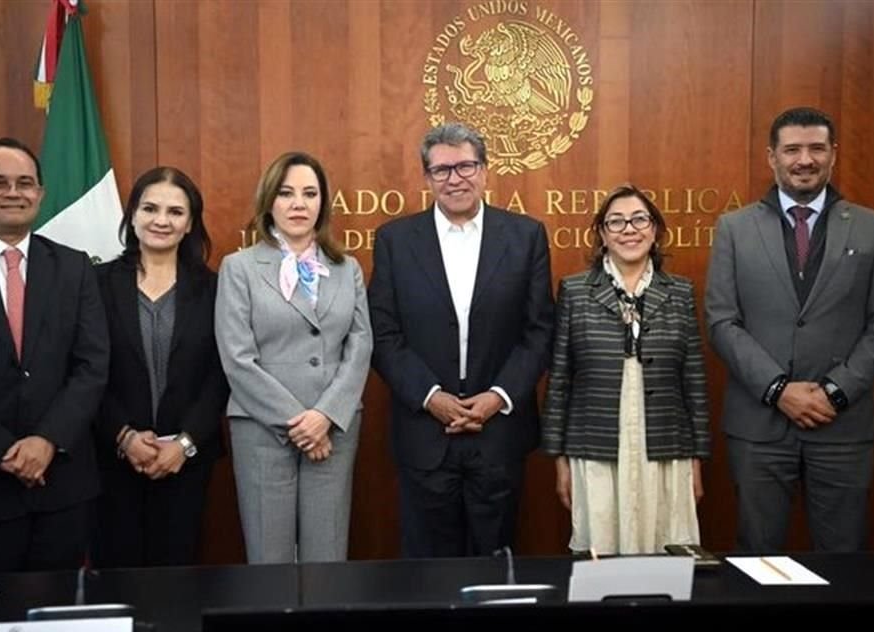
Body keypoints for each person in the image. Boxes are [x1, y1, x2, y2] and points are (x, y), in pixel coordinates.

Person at [705, 107, 874, 552]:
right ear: (772, 157)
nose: (804, 159)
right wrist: (777, 389)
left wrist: (835, 391)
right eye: (792, 149)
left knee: (845, 561)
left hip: (841, 425)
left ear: (833, 155)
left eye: (815, 148)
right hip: (760, 426)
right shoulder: (734, 228)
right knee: (758, 557)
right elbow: (722, 320)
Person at [368, 122, 554, 558]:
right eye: (442, 170)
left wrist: (497, 396)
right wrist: (430, 396)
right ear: (427, 178)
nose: (455, 179)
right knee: (428, 576)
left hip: (499, 433)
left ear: (486, 171)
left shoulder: (526, 237)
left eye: (466, 166)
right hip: (425, 433)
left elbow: (539, 329)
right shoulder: (395, 240)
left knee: (497, 570)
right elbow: (383, 332)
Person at [0, 137, 109, 573]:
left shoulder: (75, 267)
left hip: (62, 485)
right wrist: (1, 450)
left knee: (57, 623)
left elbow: (92, 365)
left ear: (41, 194)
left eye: (25, 182)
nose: (14, 192)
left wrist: (46, 440)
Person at [215, 151, 371, 564]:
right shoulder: (239, 268)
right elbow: (236, 357)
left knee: (327, 556)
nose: (298, 204)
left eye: (309, 193)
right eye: (286, 193)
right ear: (270, 201)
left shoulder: (347, 268)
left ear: (323, 203)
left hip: (333, 429)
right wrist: (299, 424)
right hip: (263, 428)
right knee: (270, 559)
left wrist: (323, 418)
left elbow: (360, 346)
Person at [540, 184, 710, 555]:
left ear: (654, 230)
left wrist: (697, 457)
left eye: (638, 219)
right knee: (602, 552)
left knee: (666, 549)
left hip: (666, 444)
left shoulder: (680, 292)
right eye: (616, 222)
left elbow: (693, 379)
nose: (628, 230)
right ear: (602, 234)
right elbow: (560, 380)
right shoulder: (575, 290)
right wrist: (559, 458)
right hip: (595, 443)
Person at [93, 167, 229, 567]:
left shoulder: (215, 288)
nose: (161, 220)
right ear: (132, 215)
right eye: (150, 208)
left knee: (177, 579)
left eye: (175, 211)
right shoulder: (95, 284)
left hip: (186, 460)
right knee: (116, 578)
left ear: (190, 224)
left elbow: (221, 374)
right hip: (111, 459)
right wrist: (124, 437)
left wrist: (184, 444)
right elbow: (87, 372)